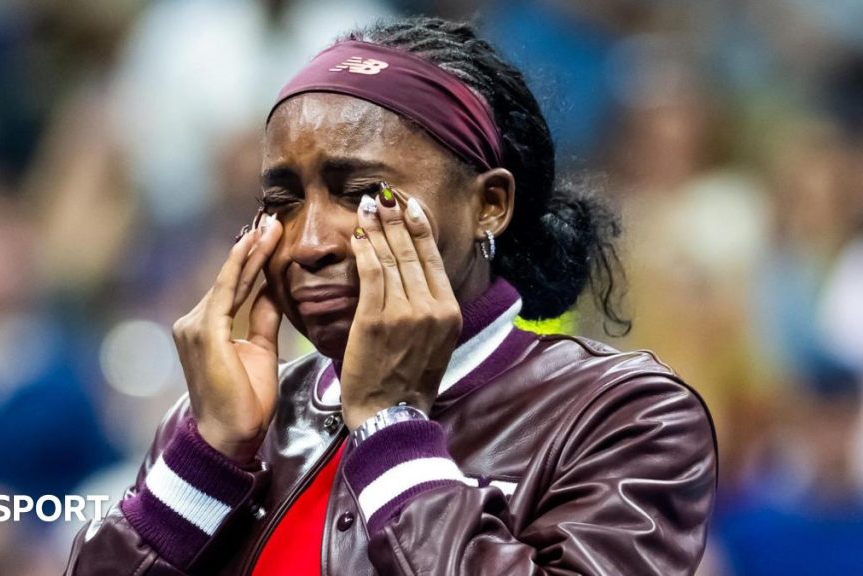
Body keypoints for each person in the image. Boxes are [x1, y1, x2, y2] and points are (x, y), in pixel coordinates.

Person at [65, 17, 716, 575]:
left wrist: (391, 429)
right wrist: (205, 461)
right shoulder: (232, 421)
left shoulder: (626, 414)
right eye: (281, 201)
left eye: (363, 193)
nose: (309, 241)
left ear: (489, 204)